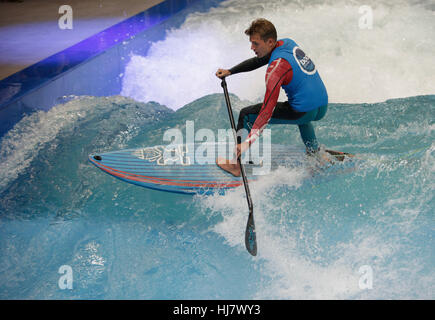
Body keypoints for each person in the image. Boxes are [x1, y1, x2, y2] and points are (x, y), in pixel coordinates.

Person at [215, 18, 329, 176]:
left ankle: (236, 166)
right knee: (303, 115)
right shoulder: (287, 43)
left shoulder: (276, 68)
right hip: (321, 106)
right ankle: (314, 153)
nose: (252, 47)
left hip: (304, 111)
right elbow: (258, 61)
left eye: (255, 44)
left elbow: (266, 112)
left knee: (246, 115)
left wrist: (247, 143)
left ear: (269, 42)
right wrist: (231, 71)